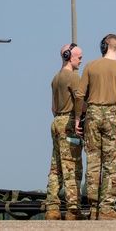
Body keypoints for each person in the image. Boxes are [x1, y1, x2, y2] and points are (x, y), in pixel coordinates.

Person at [74, 34, 116, 220]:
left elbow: (79, 95)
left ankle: (93, 209)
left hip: (92, 114)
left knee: (93, 162)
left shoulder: (90, 66)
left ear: (103, 47)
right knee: (110, 164)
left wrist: (77, 119)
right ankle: (106, 209)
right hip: (112, 116)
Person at [45, 43, 85, 221]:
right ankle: (73, 210)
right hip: (69, 123)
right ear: (69, 56)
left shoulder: (55, 78)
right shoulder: (73, 77)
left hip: (57, 122)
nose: (81, 61)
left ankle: (52, 209)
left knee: (56, 168)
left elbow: (53, 108)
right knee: (72, 166)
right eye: (79, 57)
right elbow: (80, 103)